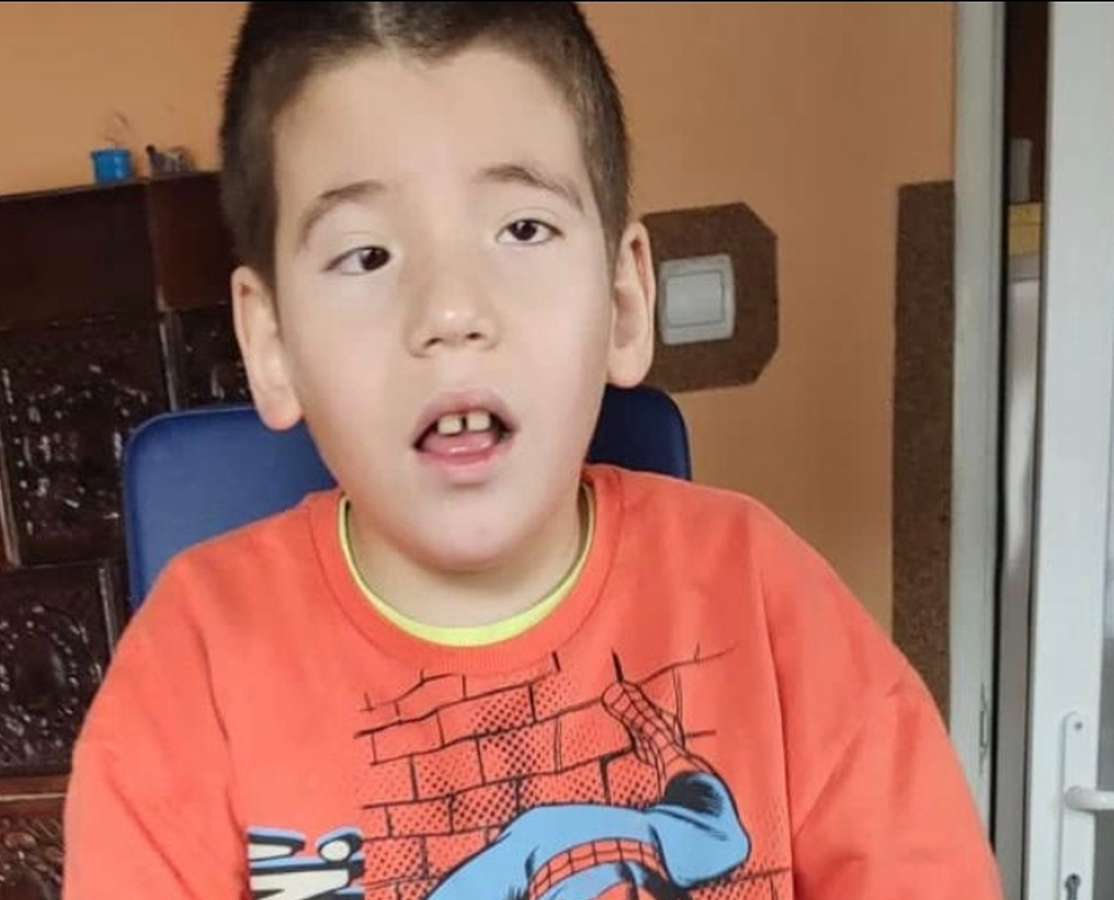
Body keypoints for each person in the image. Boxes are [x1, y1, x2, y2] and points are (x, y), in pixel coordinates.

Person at [61, 4, 1004, 899]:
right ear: (271, 343)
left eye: (522, 228)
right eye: (367, 255)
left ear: (624, 304)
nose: (451, 311)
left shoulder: (765, 597)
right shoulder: (192, 671)